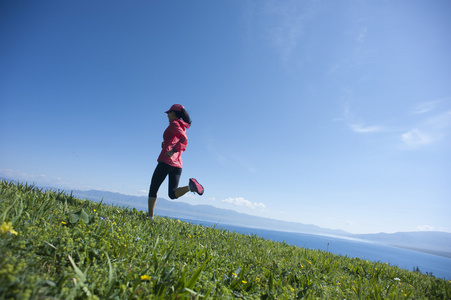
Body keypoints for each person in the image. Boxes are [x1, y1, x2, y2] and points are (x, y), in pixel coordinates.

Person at [147, 104, 204, 220]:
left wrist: (172, 150)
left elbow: (184, 139)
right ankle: (190, 187)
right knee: (172, 194)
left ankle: (150, 218)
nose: (167, 115)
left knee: (153, 189)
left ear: (173, 113)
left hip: (167, 161)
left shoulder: (174, 124)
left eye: (168, 113)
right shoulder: (182, 126)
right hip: (178, 164)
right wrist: (166, 144)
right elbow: (178, 139)